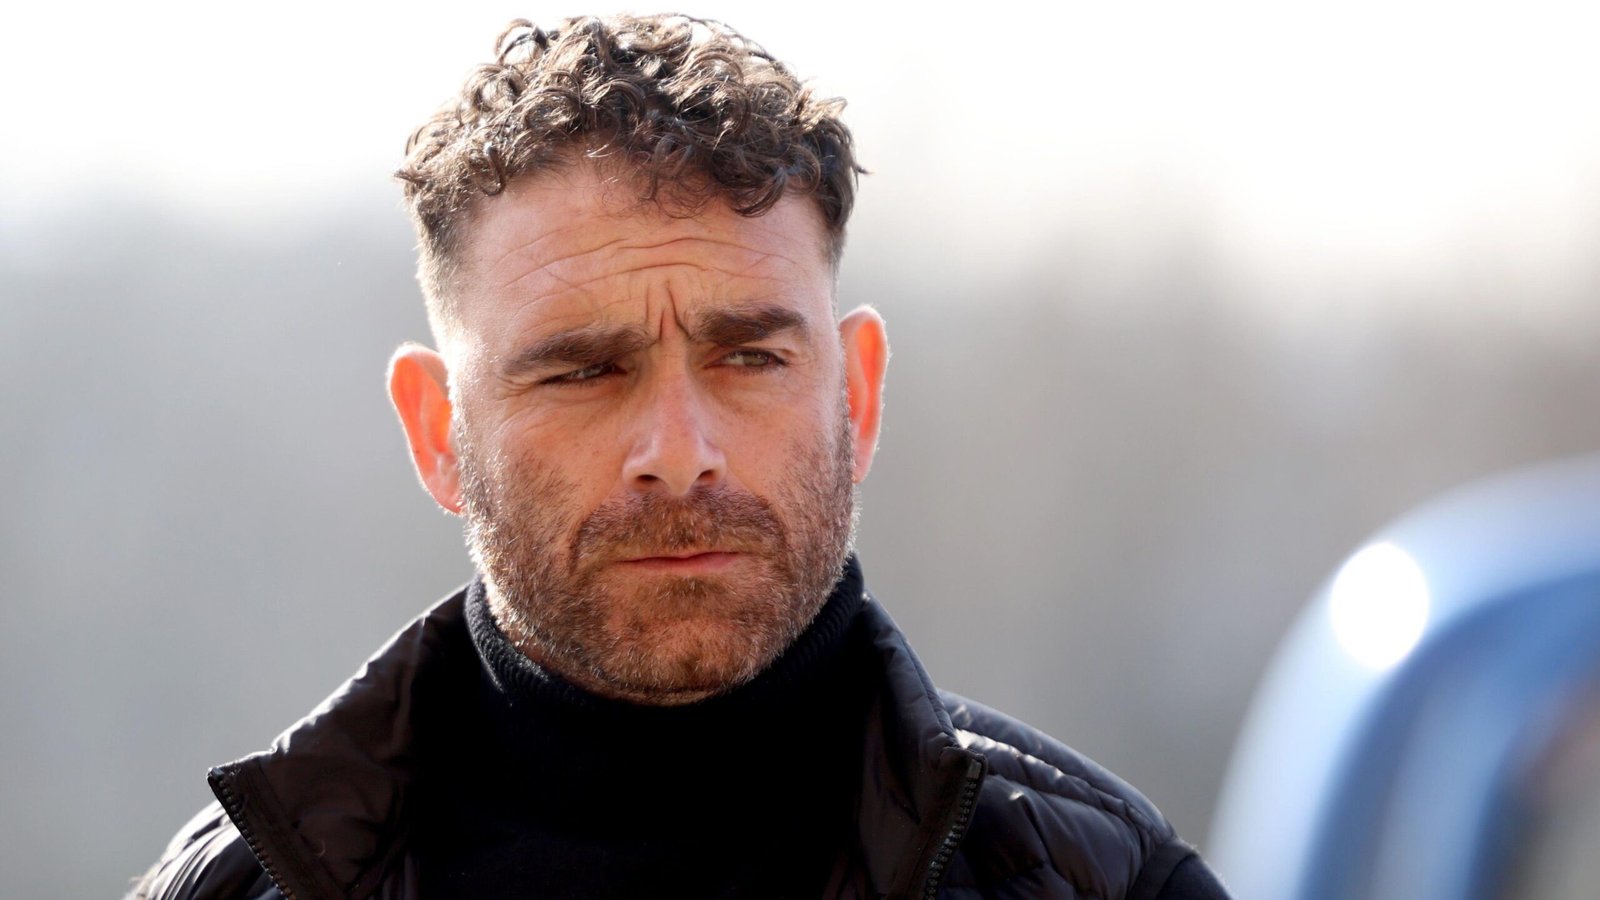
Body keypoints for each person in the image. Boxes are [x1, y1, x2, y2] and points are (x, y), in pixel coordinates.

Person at [132, 13, 1229, 899]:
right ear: (438, 432)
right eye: (582, 372)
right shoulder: (242, 886)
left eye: (748, 358)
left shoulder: (1100, 881)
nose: (678, 453)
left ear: (855, 396)